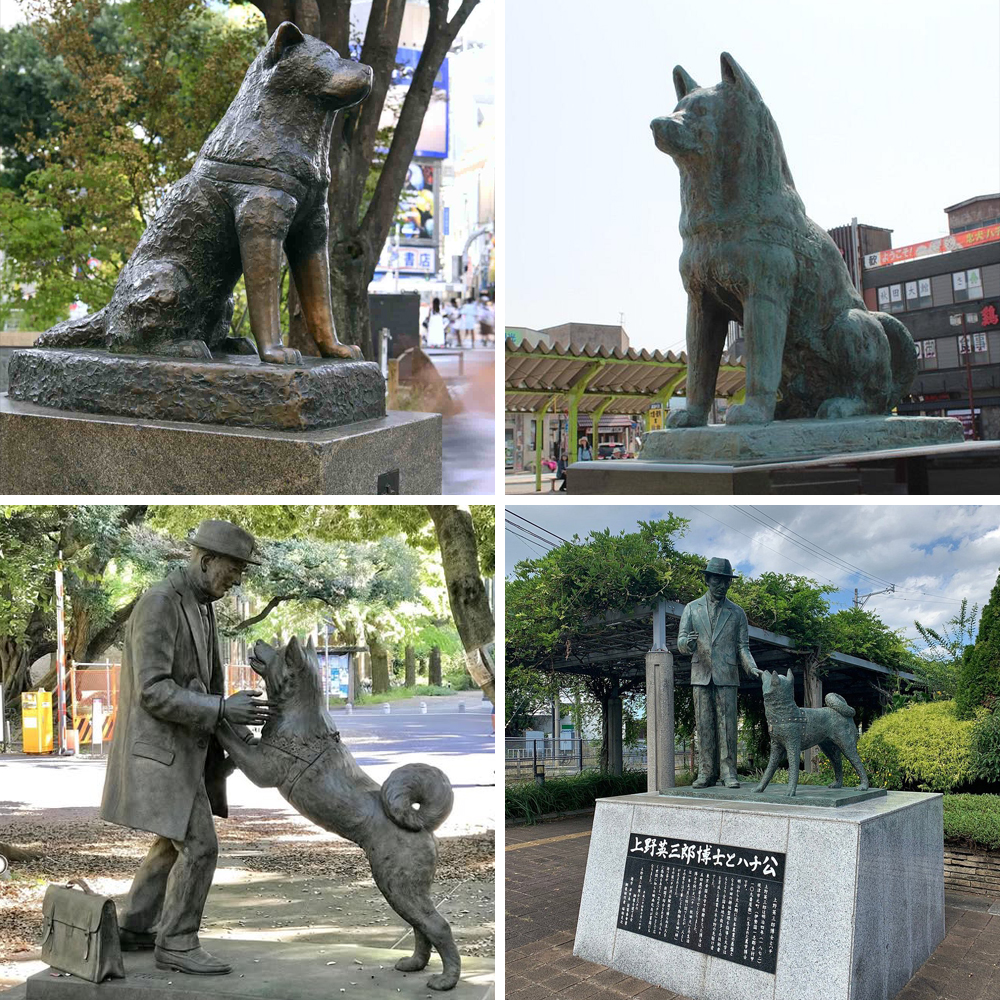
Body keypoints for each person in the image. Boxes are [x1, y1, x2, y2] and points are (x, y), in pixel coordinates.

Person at [101, 520, 270, 976]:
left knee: (170, 843)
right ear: (205, 560)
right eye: (232, 569)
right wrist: (220, 708)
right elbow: (153, 691)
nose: (235, 580)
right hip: (160, 753)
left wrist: (233, 736)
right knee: (199, 846)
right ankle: (176, 942)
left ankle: (135, 924)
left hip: (188, 752)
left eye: (240, 572)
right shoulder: (160, 603)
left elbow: (206, 681)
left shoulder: (203, 605)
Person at [676, 557, 760, 790]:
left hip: (727, 675)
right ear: (707, 579)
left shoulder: (737, 613)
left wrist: (751, 667)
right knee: (704, 725)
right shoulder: (692, 608)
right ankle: (705, 772)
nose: (721, 585)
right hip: (701, 674)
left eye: (725, 581)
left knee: (727, 726)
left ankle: (728, 772)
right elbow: (681, 640)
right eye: (717, 580)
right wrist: (688, 645)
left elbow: (743, 646)